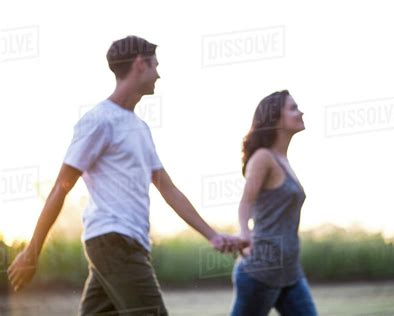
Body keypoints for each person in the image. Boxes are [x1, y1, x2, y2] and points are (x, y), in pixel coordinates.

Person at [7, 35, 246, 316]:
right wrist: (32, 251)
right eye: (155, 65)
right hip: (115, 243)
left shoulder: (139, 129)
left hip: (124, 244)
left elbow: (168, 189)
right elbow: (62, 187)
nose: (159, 74)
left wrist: (213, 236)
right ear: (139, 65)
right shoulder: (99, 120)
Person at [230, 90, 318, 316]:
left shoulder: (283, 160)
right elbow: (245, 203)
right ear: (275, 117)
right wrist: (244, 231)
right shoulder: (263, 157)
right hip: (262, 270)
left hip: (291, 271)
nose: (300, 112)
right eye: (293, 108)